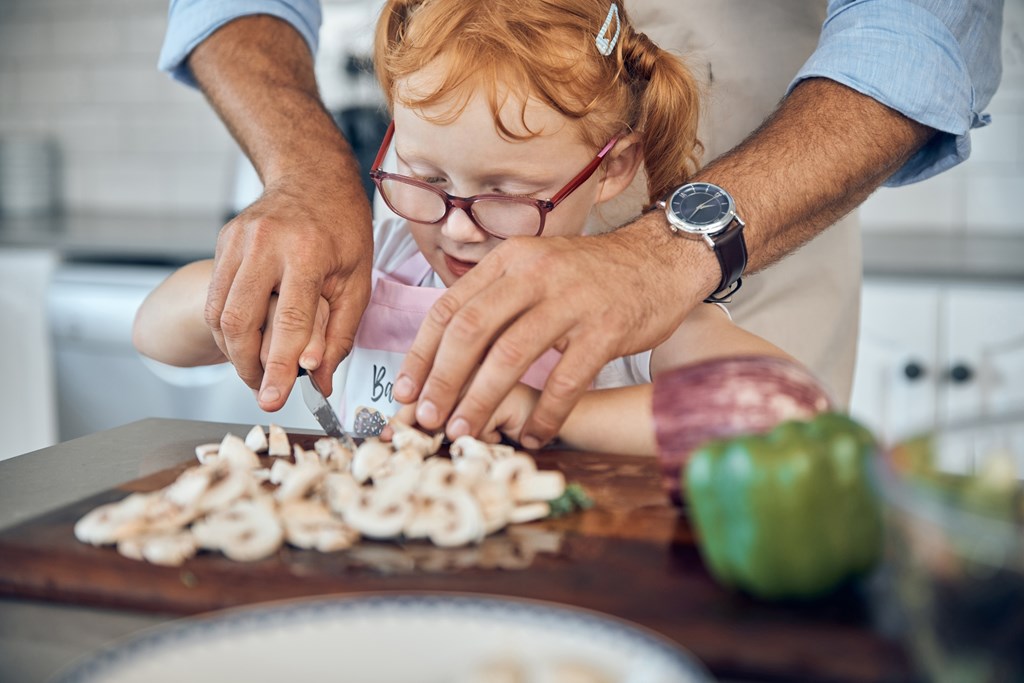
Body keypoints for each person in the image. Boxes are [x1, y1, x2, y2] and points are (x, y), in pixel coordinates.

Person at [158, 0, 1004, 449]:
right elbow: (156, 329)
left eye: (502, 191)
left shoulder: (639, 318)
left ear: (613, 170)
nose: (455, 229)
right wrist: (256, 296)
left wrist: (540, 412)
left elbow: (787, 409)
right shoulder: (383, 257)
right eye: (424, 175)